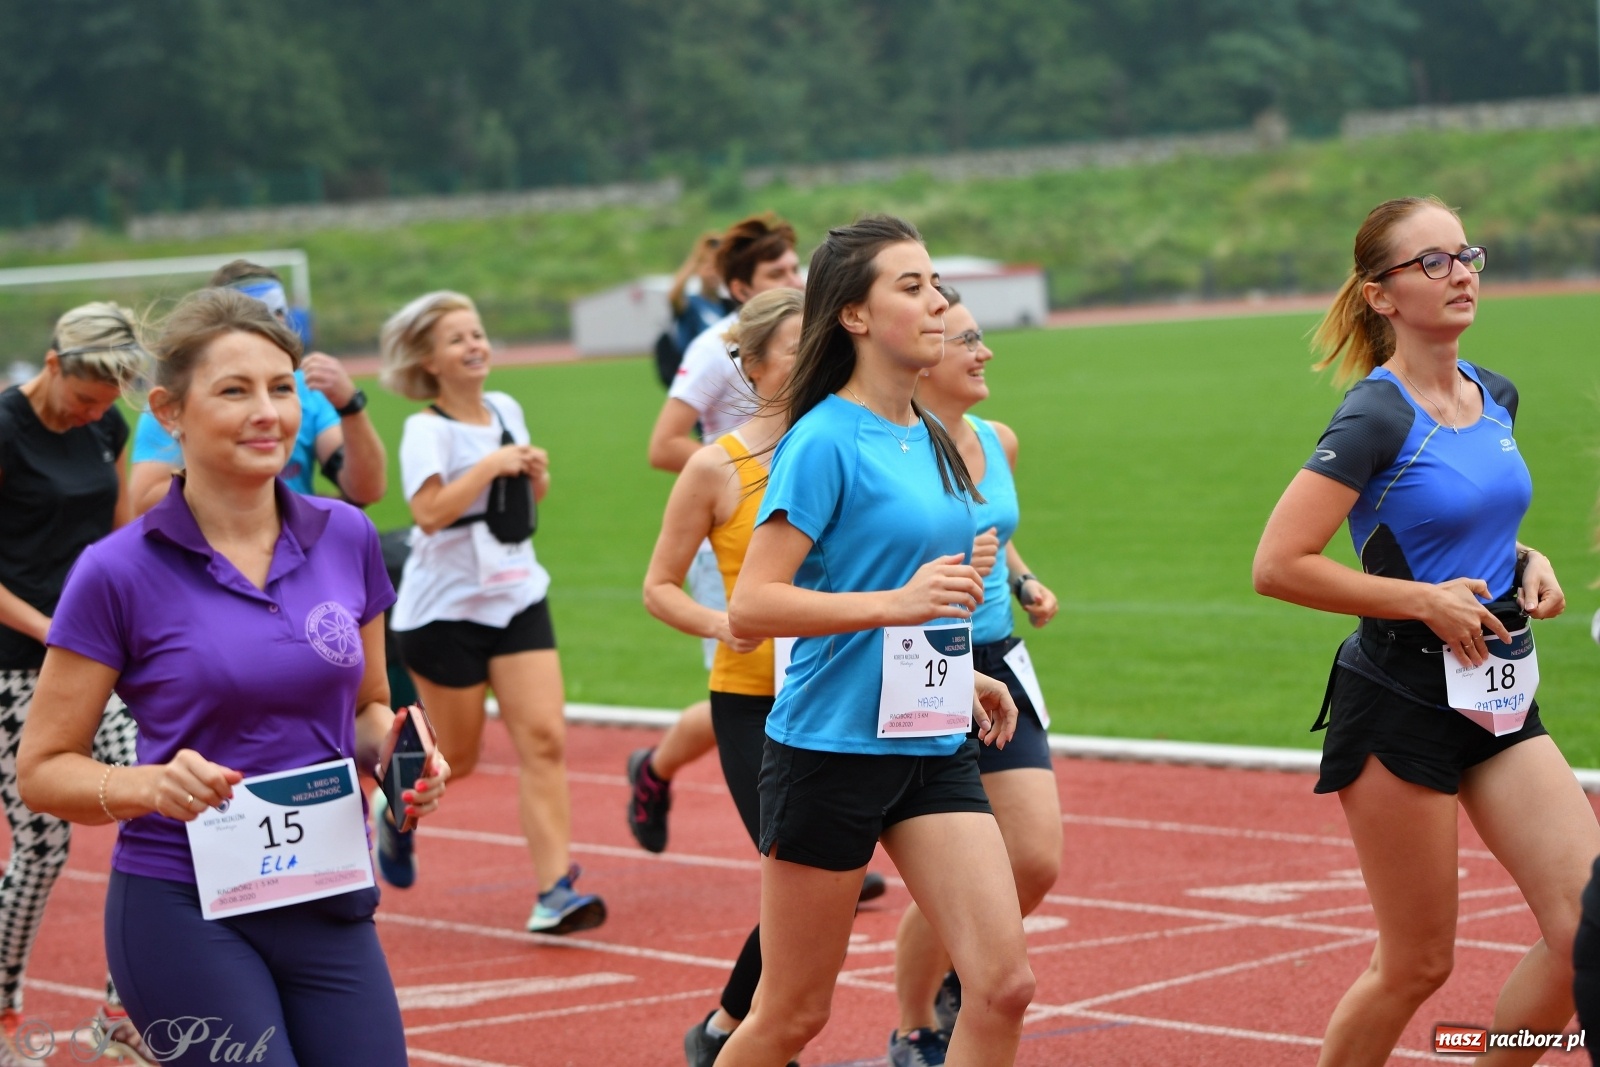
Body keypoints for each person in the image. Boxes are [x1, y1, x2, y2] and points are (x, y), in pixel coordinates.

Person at [16, 287, 447, 1067]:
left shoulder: (347, 536)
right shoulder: (115, 572)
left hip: (326, 893)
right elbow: (42, 769)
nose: (267, 413)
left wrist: (401, 755)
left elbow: (368, 710)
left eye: (282, 388)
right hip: (182, 907)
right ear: (170, 412)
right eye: (235, 391)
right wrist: (150, 786)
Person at [1251, 195, 1600, 1066]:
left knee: (1584, 934)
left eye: (1467, 255)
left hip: (1499, 692)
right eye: (1433, 262)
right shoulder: (1376, 417)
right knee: (1416, 963)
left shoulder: (1496, 393)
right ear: (1381, 295)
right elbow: (1279, 563)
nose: (1461, 274)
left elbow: (1460, 524)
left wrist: (1528, 559)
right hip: (1400, 698)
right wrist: (1424, 601)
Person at [719, 215, 1035, 1067]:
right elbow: (754, 603)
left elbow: (921, 585)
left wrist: (957, 671)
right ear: (854, 315)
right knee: (791, 1015)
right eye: (912, 286)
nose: (937, 302)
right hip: (831, 750)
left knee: (1003, 985)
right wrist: (895, 605)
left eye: (936, 284)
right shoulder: (823, 438)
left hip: (930, 736)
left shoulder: (928, 433)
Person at [380, 290, 604, 935]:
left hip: (516, 594)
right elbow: (428, 513)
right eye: (456, 339)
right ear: (428, 361)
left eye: (476, 333)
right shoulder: (426, 429)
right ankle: (387, 810)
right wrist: (492, 466)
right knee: (457, 757)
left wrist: (532, 472)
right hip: (444, 611)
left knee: (545, 739)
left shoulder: (506, 408)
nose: (474, 345)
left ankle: (554, 891)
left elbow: (524, 500)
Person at [887, 288, 1063, 1065]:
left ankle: (972, 962)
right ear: (925, 359)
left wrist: (1022, 580)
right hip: (925, 661)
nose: (984, 350)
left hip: (998, 659)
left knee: (1035, 856)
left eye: (980, 335)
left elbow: (995, 527)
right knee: (954, 873)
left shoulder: (1000, 439)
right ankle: (915, 1022)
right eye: (965, 340)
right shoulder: (898, 451)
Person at [643, 289, 808, 1066]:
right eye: (799, 345)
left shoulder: (853, 446)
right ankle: (738, 1033)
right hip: (754, 699)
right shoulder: (716, 466)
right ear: (754, 367)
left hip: (843, 690)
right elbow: (659, 586)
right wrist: (721, 624)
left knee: (827, 886)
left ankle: (730, 1028)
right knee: (800, 875)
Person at [0, 303, 151, 1066]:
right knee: (42, 847)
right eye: (85, 397)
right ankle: (2, 1006)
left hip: (95, 656)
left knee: (151, 805)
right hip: (13, 663)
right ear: (54, 364)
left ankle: (127, 1006)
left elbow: (118, 530)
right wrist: (50, 629)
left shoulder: (105, 427)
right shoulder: (4, 430)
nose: (94, 413)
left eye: (105, 403)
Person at [630, 212, 804, 855]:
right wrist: (734, 475)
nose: (794, 279)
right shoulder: (712, 350)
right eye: (777, 271)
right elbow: (662, 444)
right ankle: (655, 769)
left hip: (831, 671)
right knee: (749, 672)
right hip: (731, 538)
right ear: (740, 287)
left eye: (795, 267)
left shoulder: (840, 434)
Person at [128, 260, 386, 514]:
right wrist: (260, 500)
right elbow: (144, 500)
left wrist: (350, 405)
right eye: (232, 390)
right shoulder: (183, 399)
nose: (268, 414)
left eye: (279, 312)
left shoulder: (308, 388)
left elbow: (366, 490)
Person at [654, 231, 733, 389]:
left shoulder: (728, 306)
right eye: (708, 268)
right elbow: (673, 295)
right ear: (698, 270)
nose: (713, 274)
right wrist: (697, 256)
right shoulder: (691, 303)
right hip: (694, 377)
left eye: (717, 268)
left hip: (721, 377)